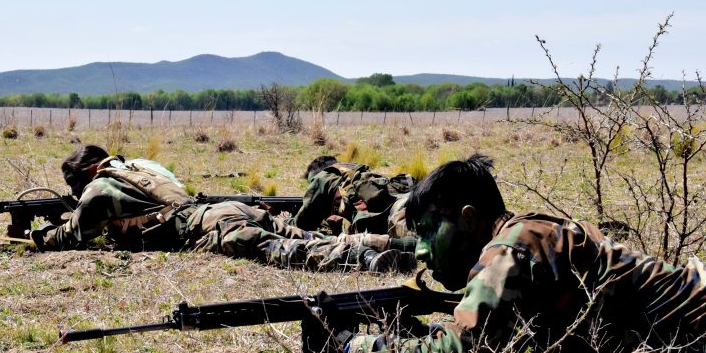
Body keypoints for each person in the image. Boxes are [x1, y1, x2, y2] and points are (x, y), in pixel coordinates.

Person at [346, 154, 706, 353]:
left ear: (467, 218)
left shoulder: (512, 247)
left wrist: (357, 347)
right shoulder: (522, 235)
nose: (422, 251)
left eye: (429, 231)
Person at [31, 145, 417, 273]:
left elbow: (73, 235)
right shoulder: (141, 168)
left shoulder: (98, 190)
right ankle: (390, 245)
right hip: (222, 210)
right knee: (306, 236)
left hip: (209, 228)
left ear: (85, 175)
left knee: (295, 252)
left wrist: (35, 235)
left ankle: (369, 262)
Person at [290, 156, 416, 237]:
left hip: (393, 219)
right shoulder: (358, 171)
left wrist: (285, 221)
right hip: (406, 201)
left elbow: (302, 224)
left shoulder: (322, 177)